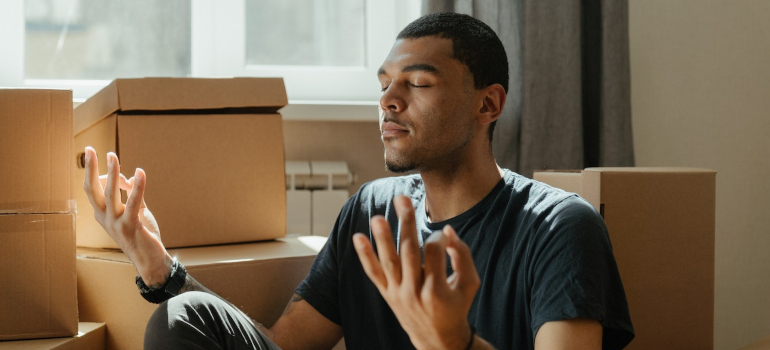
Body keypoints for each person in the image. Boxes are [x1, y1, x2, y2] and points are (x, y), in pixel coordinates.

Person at [83, 12, 634, 350]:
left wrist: (453, 342)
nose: (389, 101)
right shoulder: (373, 210)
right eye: (384, 83)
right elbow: (277, 348)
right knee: (184, 320)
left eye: (417, 83)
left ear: (487, 104)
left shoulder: (559, 227)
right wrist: (158, 267)